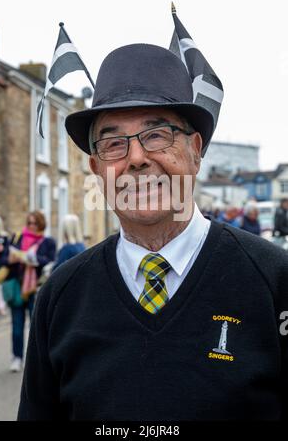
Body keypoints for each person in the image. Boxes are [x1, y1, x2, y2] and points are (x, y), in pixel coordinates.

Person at [18, 44, 288, 421]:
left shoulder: (276, 279)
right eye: (114, 143)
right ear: (97, 169)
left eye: (157, 135)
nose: (136, 158)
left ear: (195, 151)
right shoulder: (61, 295)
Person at [5, 211, 56, 372]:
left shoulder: (48, 242)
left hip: (37, 289)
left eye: (35, 223)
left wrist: (33, 259)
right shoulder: (18, 239)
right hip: (18, 288)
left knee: (37, 327)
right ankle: (16, 357)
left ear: (41, 224)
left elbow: (50, 261)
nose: (31, 226)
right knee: (17, 326)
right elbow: (3, 261)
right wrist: (10, 259)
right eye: (29, 223)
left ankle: (37, 361)